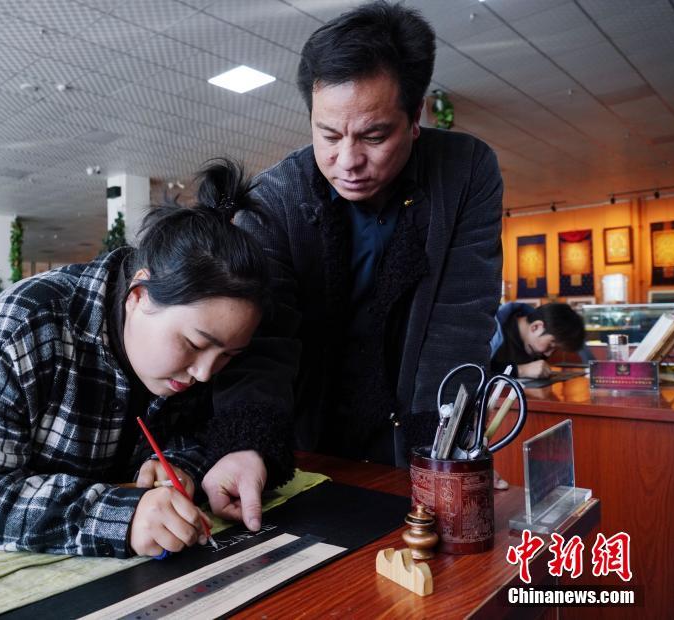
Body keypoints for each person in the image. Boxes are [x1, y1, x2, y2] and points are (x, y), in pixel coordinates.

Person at [201, 1, 503, 531]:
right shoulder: (275, 200)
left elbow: (460, 321)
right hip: (306, 443)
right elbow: (264, 342)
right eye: (328, 135)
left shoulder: (465, 172)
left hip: (411, 433)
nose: (347, 161)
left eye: (373, 136)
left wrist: (443, 449)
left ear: (415, 119)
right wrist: (247, 444)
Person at [0, 159, 272, 559]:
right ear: (138, 296)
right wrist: (121, 518)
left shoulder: (185, 353)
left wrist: (173, 465)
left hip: (48, 538)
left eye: (226, 355)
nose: (204, 373)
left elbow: (198, 434)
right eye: (194, 343)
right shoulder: (21, 325)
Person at [490, 302, 586, 379]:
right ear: (536, 327)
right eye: (550, 346)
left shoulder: (534, 347)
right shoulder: (489, 331)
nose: (548, 354)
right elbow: (480, 372)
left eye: (555, 349)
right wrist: (521, 370)